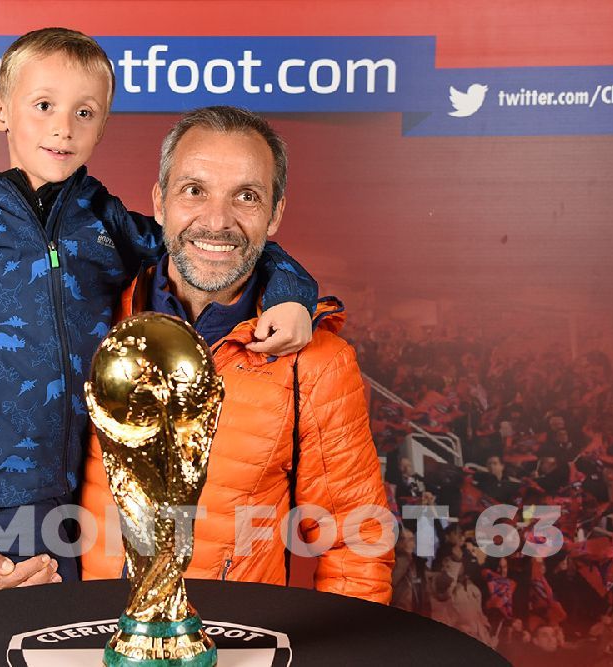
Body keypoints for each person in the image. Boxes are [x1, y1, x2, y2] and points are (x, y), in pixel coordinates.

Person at [0, 29, 319, 588]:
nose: (63, 127)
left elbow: (206, 245)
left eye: (85, 112)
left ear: (103, 125)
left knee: (90, 627)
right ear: (1, 111)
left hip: (93, 483)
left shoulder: (103, 221)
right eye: (44, 106)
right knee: (12, 616)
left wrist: (292, 294)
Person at [73, 106, 392, 602]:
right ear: (160, 202)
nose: (217, 221)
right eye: (194, 190)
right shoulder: (87, 321)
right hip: (86, 634)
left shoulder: (318, 362)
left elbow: (355, 542)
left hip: (233, 641)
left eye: (246, 196)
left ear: (275, 214)